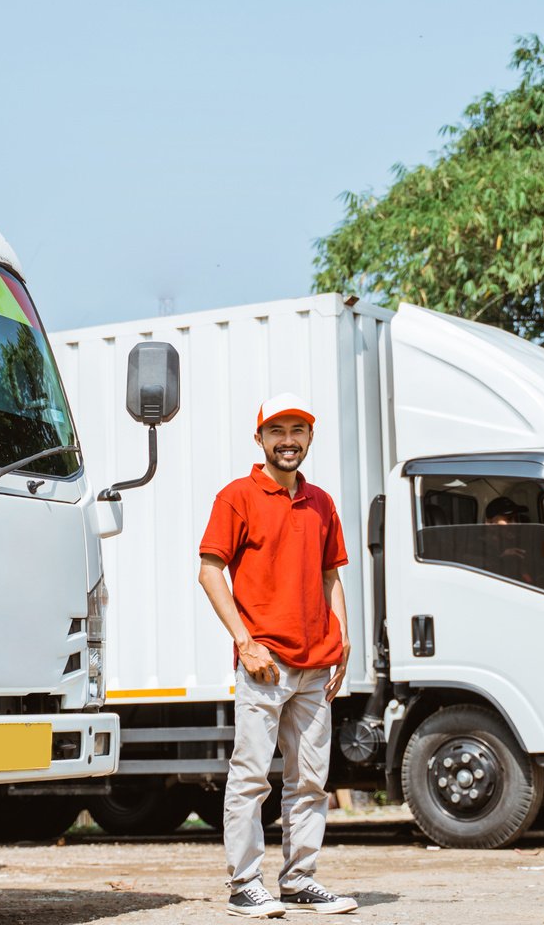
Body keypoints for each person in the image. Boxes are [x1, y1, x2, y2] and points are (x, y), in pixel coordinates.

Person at [198, 393, 359, 918]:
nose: (287, 440)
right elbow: (209, 571)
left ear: (310, 438)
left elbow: (330, 575)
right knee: (250, 776)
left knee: (311, 780)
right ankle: (245, 885)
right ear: (260, 438)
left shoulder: (322, 503)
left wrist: (344, 636)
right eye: (277, 431)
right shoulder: (237, 497)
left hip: (316, 665)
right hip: (264, 663)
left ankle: (300, 880)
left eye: (298, 431)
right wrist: (245, 641)